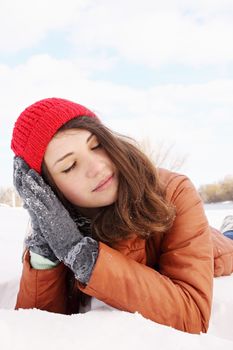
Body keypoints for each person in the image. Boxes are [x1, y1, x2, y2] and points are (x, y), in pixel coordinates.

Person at [11, 97, 233, 334]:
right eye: (70, 166)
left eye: (97, 146)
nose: (97, 167)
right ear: (49, 191)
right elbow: (35, 328)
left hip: (212, 245)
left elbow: (193, 316)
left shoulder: (173, 191)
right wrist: (46, 251)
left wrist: (86, 257)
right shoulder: (58, 229)